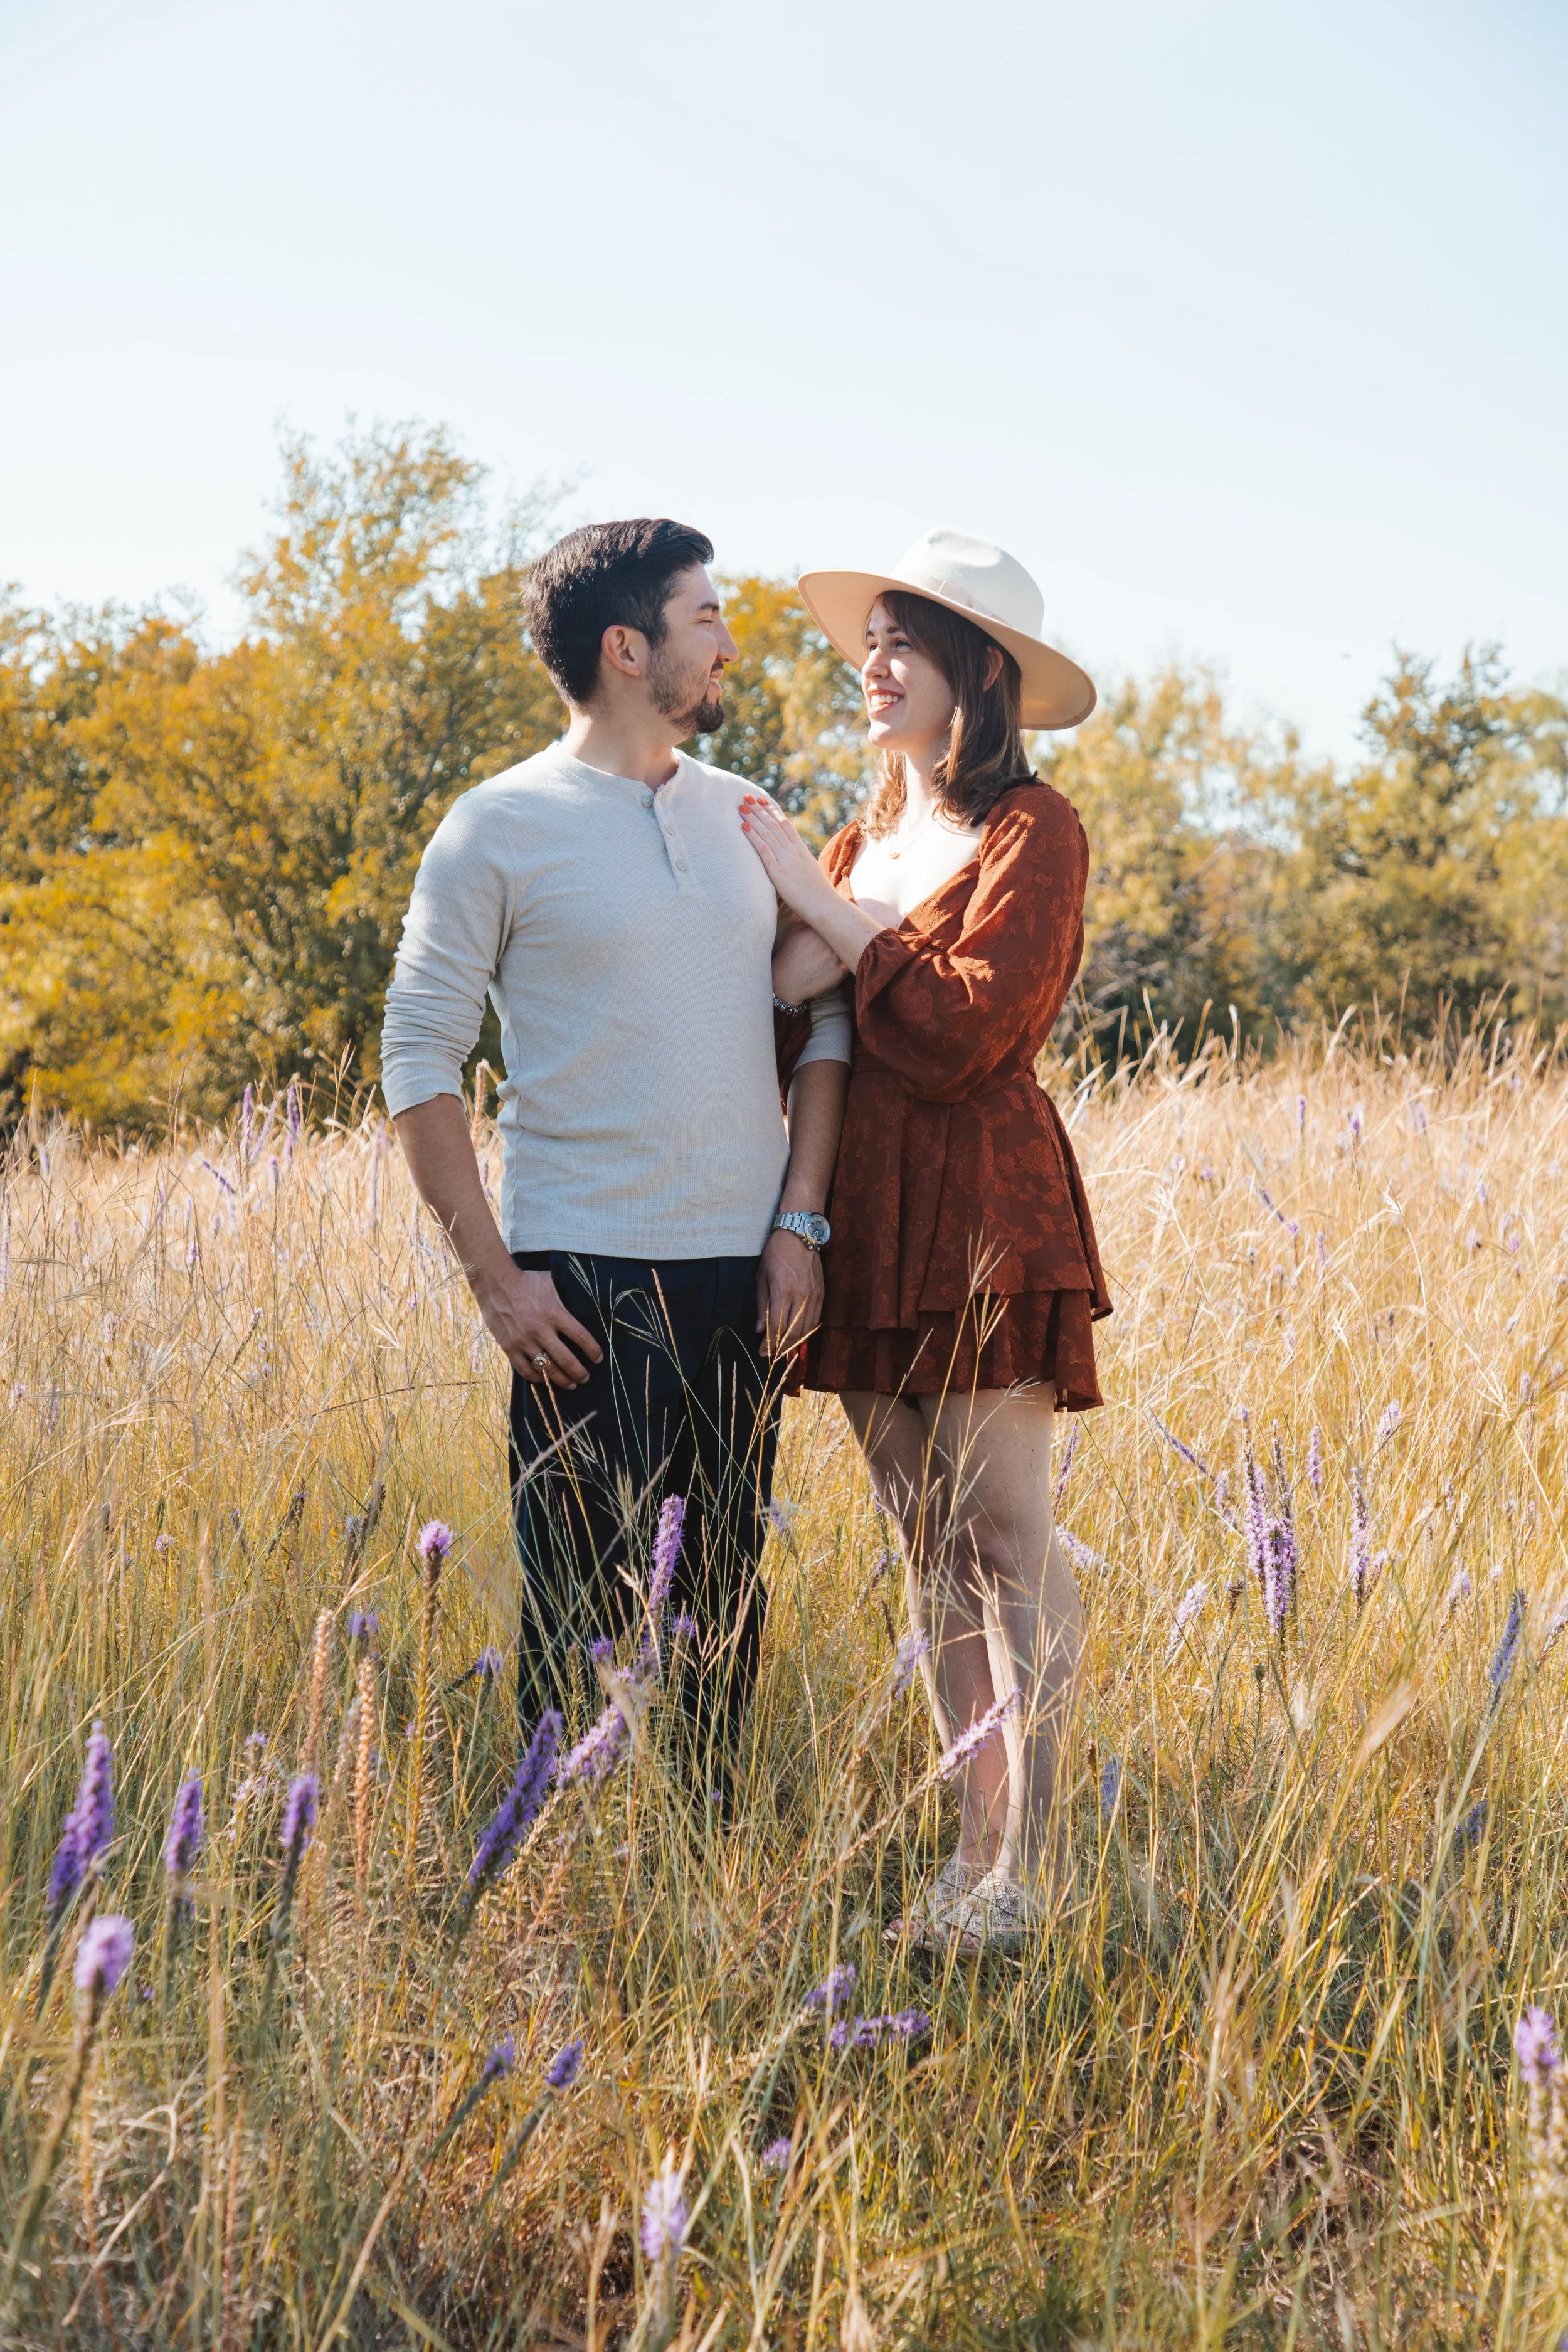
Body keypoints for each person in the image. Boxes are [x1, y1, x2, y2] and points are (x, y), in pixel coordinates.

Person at [381, 519, 850, 1769]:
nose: (730, 646)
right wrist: (495, 1279)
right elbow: (416, 1059)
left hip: (743, 1286)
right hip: (578, 1288)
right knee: (571, 1638)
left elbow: (825, 1024)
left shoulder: (748, 817)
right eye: (708, 620)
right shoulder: (494, 828)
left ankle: (698, 1907)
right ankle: (556, 1904)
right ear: (627, 647)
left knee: (718, 1639)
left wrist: (797, 1222)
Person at [738, 529, 1111, 1946]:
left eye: (904, 640)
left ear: (976, 673)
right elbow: (791, 1019)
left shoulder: (1034, 829)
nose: (871, 664)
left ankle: (1025, 1867)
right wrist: (790, 904)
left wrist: (822, 908)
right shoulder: (853, 840)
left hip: (983, 1207)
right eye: (870, 640)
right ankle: (967, 1860)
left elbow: (961, 1033)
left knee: (1005, 1540)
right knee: (926, 1548)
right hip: (864, 1207)